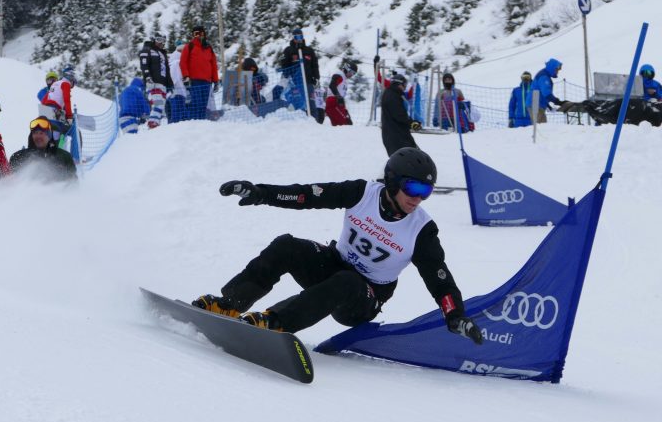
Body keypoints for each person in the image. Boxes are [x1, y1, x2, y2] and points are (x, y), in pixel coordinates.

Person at [190, 147, 483, 345]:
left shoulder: (421, 229)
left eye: (426, 192)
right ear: (393, 181)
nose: (418, 198)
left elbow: (439, 278)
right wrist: (260, 193)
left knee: (347, 282)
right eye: (414, 188)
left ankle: (274, 324)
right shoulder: (362, 193)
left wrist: (454, 315)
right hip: (334, 264)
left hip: (364, 297)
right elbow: (307, 195)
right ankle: (229, 306)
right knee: (286, 246)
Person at [9, 117, 77, 181]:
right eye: (35, 133)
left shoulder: (64, 157)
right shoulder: (18, 156)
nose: (38, 136)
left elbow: (73, 183)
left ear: (49, 136)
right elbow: (10, 183)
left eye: (42, 133)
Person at [279, 28, 321, 122]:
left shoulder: (309, 50)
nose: (299, 39)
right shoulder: (289, 50)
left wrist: (316, 77)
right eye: (296, 37)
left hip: (308, 82)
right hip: (295, 83)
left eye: (300, 36)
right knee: (299, 105)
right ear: (293, 38)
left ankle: (315, 125)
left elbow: (315, 65)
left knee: (311, 105)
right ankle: (301, 125)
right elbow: (285, 67)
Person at [180, 25, 219, 120]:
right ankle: (194, 122)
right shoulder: (189, 46)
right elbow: (183, 62)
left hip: (207, 81)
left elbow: (213, 65)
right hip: (194, 81)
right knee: (195, 103)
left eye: (199, 33)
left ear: (203, 34)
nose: (197, 36)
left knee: (203, 104)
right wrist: (186, 76)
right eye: (195, 34)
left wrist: (216, 80)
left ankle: (201, 123)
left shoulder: (208, 48)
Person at [381, 74, 421, 156]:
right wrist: (412, 123)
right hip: (397, 137)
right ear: (399, 84)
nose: (405, 88)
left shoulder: (391, 93)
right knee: (411, 157)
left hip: (394, 135)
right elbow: (400, 115)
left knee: (410, 156)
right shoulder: (392, 96)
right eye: (404, 85)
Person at [139, 34, 174, 128]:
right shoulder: (148, 49)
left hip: (162, 83)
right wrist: (147, 77)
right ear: (154, 39)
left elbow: (167, 70)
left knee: (161, 104)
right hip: (153, 82)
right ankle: (152, 123)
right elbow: (144, 65)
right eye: (158, 40)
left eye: (163, 41)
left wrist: (170, 84)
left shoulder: (162, 53)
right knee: (157, 103)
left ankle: (155, 123)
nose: (161, 43)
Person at [526, 58, 563, 124]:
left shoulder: (545, 75)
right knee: (540, 127)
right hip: (535, 103)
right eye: (556, 69)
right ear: (552, 68)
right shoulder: (544, 77)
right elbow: (546, 94)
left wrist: (548, 106)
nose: (557, 72)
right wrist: (557, 101)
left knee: (542, 125)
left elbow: (542, 95)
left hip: (537, 103)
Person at [325, 60, 357, 126]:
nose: (352, 75)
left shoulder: (344, 78)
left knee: (345, 124)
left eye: (354, 73)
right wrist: (338, 96)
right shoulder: (339, 74)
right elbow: (332, 85)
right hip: (333, 102)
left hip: (338, 103)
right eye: (351, 72)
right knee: (346, 124)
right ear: (346, 69)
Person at [168, 39, 190, 123]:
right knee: (178, 113)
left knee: (175, 112)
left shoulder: (172, 61)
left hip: (174, 92)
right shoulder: (177, 63)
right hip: (177, 91)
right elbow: (175, 78)